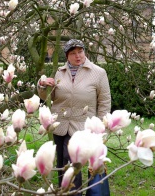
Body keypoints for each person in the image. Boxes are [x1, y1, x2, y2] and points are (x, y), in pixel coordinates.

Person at [37, 39, 111, 195]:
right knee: (62, 164)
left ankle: (72, 192)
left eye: (80, 52)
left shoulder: (98, 73)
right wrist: (43, 86)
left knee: (72, 163)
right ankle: (65, 191)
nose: (78, 56)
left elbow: (104, 102)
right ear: (67, 56)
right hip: (60, 125)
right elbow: (51, 96)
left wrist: (101, 128)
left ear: (85, 52)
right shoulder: (60, 72)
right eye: (73, 53)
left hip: (81, 127)